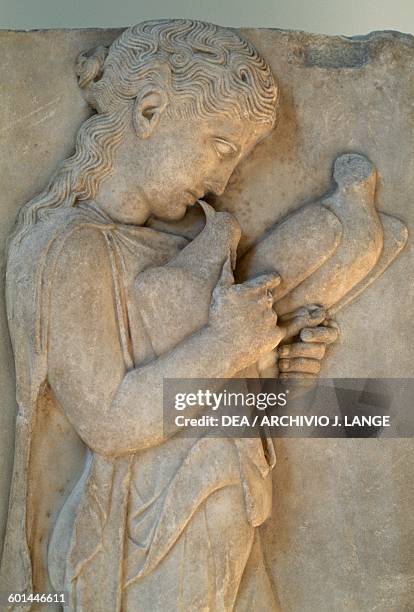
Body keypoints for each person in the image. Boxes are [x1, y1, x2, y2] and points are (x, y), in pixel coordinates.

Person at [1, 20, 337, 611]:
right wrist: (224, 348)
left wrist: (276, 374)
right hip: (136, 551)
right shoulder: (68, 248)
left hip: (213, 529)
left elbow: (204, 400)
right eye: (222, 146)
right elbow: (107, 421)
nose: (225, 179)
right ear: (151, 111)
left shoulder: (176, 250)